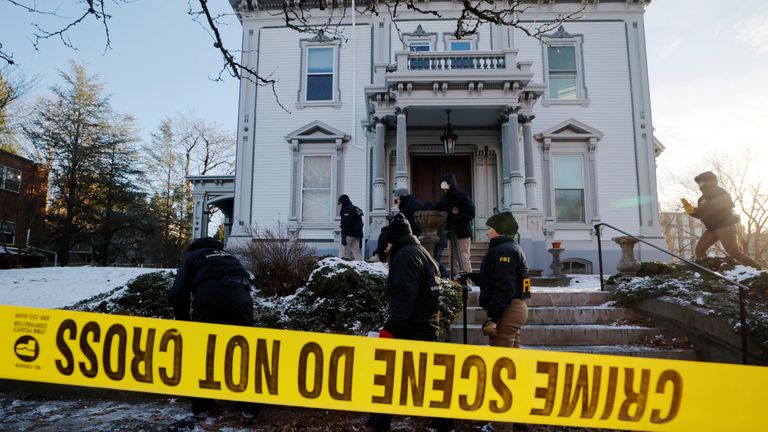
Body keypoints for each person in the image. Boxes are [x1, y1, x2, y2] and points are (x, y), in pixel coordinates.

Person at [367, 213, 454, 432]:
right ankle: (443, 423)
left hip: (411, 328)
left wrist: (390, 329)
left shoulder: (405, 256)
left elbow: (405, 296)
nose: (385, 251)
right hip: (425, 325)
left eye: (387, 245)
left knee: (387, 376)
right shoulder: (421, 252)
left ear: (392, 241)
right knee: (427, 379)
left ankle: (379, 423)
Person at [169, 236, 260, 420]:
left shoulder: (193, 257)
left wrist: (184, 324)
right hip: (241, 299)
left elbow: (179, 292)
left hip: (209, 297)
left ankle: (203, 406)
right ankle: (249, 406)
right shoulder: (228, 256)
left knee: (203, 351)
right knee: (242, 350)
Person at [457, 212, 530, 432]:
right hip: (516, 309)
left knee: (502, 370)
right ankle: (517, 420)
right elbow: (496, 278)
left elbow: (504, 287)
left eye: (490, 227)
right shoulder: (508, 248)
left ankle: (500, 426)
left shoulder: (504, 251)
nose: (487, 230)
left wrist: (494, 317)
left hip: (508, 311)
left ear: (500, 229)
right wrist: (471, 276)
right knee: (511, 367)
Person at [685, 171, 761, 269]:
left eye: (702, 182)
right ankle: (707, 269)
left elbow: (715, 207)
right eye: (699, 183)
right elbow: (702, 214)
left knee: (734, 252)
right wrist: (690, 211)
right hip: (711, 229)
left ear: (710, 181)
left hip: (725, 226)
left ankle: (758, 269)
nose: (700, 185)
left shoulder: (720, 192)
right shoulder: (701, 199)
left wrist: (697, 209)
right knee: (699, 250)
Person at [435, 173, 475, 274]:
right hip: (450, 233)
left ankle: (467, 281)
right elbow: (438, 208)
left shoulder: (462, 196)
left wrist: (456, 219)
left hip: (462, 232)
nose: (444, 190)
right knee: (452, 259)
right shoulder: (444, 199)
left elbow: (471, 213)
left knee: (464, 257)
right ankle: (455, 282)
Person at [338, 194, 364, 261]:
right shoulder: (355, 208)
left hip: (348, 234)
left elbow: (345, 223)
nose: (340, 205)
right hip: (357, 235)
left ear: (343, 201)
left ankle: (344, 268)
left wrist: (343, 235)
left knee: (344, 253)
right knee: (356, 253)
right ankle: (361, 267)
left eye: (340, 203)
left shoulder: (346, 210)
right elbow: (361, 223)